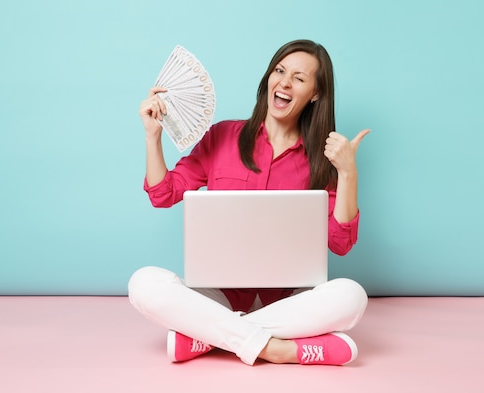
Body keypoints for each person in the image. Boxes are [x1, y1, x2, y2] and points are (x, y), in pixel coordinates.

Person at [128, 39, 370, 366]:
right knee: (143, 284)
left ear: (315, 93)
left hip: (287, 300)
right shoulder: (223, 136)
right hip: (218, 295)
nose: (284, 82)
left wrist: (348, 173)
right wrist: (152, 136)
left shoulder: (321, 160)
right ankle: (279, 349)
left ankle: (211, 337)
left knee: (351, 297)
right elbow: (164, 193)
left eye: (299, 78)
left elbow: (339, 243)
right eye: (280, 71)